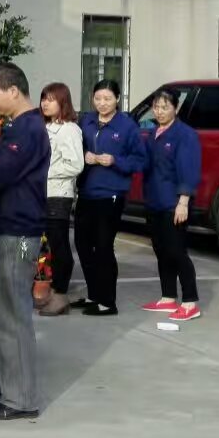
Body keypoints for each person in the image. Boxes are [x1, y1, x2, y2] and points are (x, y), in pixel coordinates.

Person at [0, 63, 49, 421]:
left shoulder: (27, 128)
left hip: (16, 232)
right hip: (5, 228)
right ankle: (7, 384)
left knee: (11, 316)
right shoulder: (18, 127)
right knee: (0, 315)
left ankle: (20, 399)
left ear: (13, 90)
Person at [75, 79, 145, 316]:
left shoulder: (127, 126)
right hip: (87, 191)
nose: (102, 103)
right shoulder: (87, 121)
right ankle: (93, 294)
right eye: (98, 99)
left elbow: (140, 160)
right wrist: (84, 154)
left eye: (107, 99)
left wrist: (115, 161)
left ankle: (107, 302)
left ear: (117, 99)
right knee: (83, 244)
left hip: (111, 194)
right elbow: (75, 147)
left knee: (103, 246)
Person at [138, 89, 203, 322]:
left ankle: (190, 301)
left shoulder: (185, 135)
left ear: (175, 108)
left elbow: (189, 170)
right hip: (154, 201)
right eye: (156, 107)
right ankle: (168, 296)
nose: (159, 112)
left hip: (173, 204)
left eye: (165, 107)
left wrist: (183, 202)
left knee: (176, 251)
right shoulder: (153, 133)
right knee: (161, 250)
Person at [38, 83, 84, 317]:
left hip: (58, 194)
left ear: (63, 102)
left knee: (59, 245)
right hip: (42, 193)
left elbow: (76, 164)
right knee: (48, 244)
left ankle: (60, 293)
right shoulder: (45, 127)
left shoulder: (69, 129)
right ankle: (52, 290)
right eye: (43, 99)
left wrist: (44, 172)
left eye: (51, 99)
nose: (45, 103)